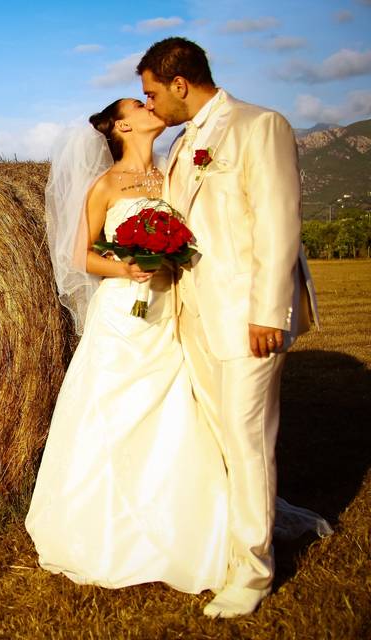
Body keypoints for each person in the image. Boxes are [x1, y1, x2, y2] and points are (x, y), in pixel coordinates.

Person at [136, 37, 320, 617]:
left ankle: (254, 573)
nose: (149, 106)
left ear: (180, 82)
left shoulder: (258, 126)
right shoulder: (183, 143)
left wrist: (270, 313)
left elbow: (277, 221)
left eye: (151, 93)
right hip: (196, 316)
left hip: (246, 319)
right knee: (221, 438)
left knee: (245, 442)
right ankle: (247, 533)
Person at [25, 98, 232, 594]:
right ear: (122, 125)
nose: (151, 106)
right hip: (123, 312)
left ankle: (186, 517)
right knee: (116, 405)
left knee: (177, 402)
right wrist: (127, 267)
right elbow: (80, 255)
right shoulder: (106, 185)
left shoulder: (172, 176)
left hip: (170, 310)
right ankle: (110, 528)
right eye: (140, 104)